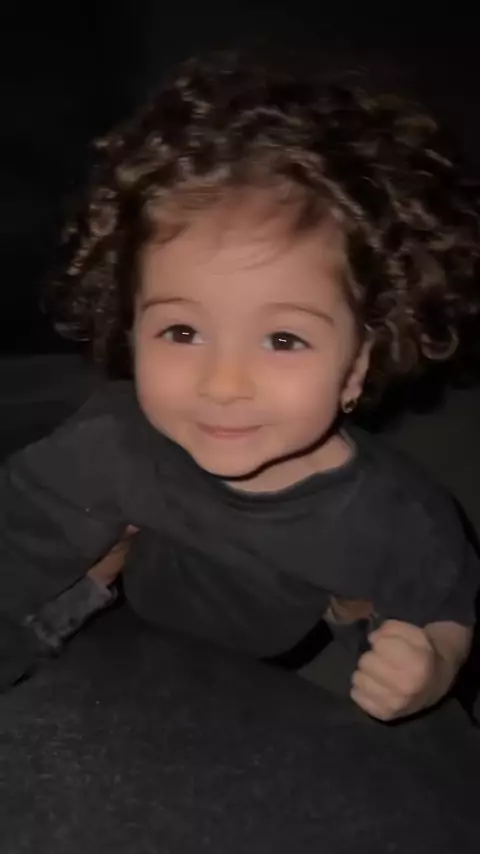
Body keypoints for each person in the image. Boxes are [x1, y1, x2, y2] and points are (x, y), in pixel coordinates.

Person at [1, 52, 479, 721]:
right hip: (132, 598)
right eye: (182, 332)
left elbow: (449, 608)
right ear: (132, 328)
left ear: (356, 367)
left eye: (283, 339)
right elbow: (18, 540)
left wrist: (432, 665)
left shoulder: (393, 516)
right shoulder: (112, 439)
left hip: (281, 660)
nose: (223, 384)